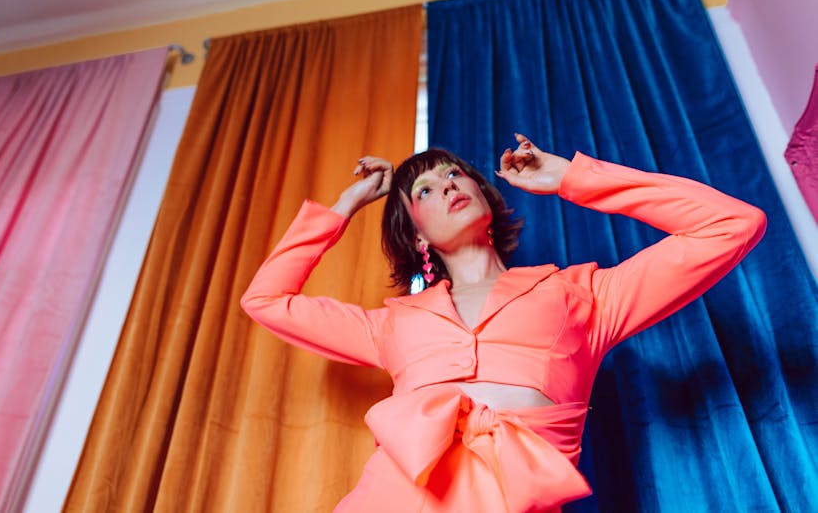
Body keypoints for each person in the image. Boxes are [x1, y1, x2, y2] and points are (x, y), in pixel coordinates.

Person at [241, 134, 766, 512]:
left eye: (453, 175)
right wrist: (347, 203)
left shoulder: (583, 294)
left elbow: (731, 225)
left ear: (485, 194)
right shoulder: (392, 324)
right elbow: (265, 298)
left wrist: (573, 178)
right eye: (423, 191)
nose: (446, 187)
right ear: (416, 235)